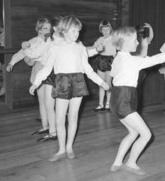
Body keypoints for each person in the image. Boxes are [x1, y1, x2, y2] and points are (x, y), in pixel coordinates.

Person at [109, 26, 165, 175]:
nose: (137, 43)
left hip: (116, 99)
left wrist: (143, 51)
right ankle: (131, 164)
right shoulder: (131, 61)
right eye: (135, 40)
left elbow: (117, 71)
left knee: (133, 133)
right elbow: (156, 59)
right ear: (125, 42)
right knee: (146, 135)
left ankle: (117, 162)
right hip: (125, 100)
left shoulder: (119, 57)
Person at [29, 16, 109, 162]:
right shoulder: (55, 47)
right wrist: (36, 82)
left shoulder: (80, 48)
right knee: (60, 119)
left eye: (78, 31)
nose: (76, 34)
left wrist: (101, 82)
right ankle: (61, 149)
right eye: (73, 31)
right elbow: (47, 68)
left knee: (73, 117)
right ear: (64, 31)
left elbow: (87, 69)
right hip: (62, 83)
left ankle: (69, 147)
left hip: (78, 82)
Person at [6, 18, 53, 137]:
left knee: (50, 102)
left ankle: (54, 128)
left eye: (50, 28)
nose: (49, 30)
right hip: (38, 71)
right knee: (42, 101)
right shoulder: (33, 41)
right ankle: (45, 127)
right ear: (39, 30)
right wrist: (12, 62)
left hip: (50, 71)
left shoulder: (52, 40)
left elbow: (35, 54)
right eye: (45, 28)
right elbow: (22, 52)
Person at [87, 20, 116, 112]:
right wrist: (82, 48)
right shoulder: (100, 39)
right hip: (100, 60)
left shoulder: (114, 38)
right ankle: (100, 104)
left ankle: (108, 104)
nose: (105, 31)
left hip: (110, 61)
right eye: (103, 30)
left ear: (110, 29)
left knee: (108, 83)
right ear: (101, 30)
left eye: (107, 29)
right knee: (101, 83)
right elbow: (92, 47)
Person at [134, 23, 154, 113]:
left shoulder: (145, 40)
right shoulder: (134, 42)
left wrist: (150, 27)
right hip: (135, 65)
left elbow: (152, 36)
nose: (140, 34)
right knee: (135, 86)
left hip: (143, 66)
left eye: (142, 33)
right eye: (139, 32)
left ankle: (137, 108)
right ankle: (135, 106)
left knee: (139, 86)